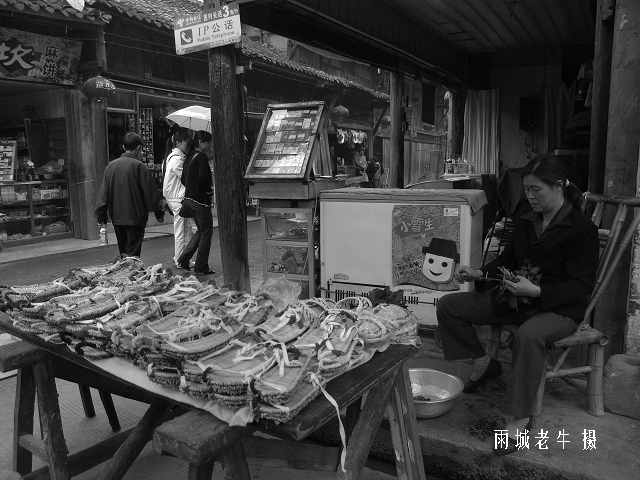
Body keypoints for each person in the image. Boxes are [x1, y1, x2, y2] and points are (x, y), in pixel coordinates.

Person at [435, 154, 599, 456]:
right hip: (516, 298)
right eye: (526, 190)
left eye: (537, 190)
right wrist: (480, 272)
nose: (530, 196)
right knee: (450, 306)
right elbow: (508, 260)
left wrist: (537, 291)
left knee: (528, 335)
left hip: (558, 308)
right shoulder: (526, 218)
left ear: (559, 186)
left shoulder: (581, 229)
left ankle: (518, 420)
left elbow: (579, 287)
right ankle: (485, 364)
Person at [95, 132, 165, 257]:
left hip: (117, 218)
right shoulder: (140, 167)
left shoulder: (111, 167)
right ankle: (131, 274)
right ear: (138, 148)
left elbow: (103, 194)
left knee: (123, 252)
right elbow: (151, 194)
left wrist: (102, 217)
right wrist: (158, 213)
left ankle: (125, 274)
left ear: (123, 147)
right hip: (135, 217)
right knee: (133, 254)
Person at [176, 130, 215, 275]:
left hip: (189, 200)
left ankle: (184, 258)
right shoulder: (202, 157)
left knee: (201, 231)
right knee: (207, 232)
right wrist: (209, 192)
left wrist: (192, 189)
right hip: (200, 201)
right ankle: (201, 266)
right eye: (208, 142)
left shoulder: (189, 156)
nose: (210, 145)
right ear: (200, 142)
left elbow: (183, 179)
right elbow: (204, 178)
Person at [162, 130, 193, 267]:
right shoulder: (176, 160)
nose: (188, 145)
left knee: (185, 229)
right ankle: (180, 259)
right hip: (177, 198)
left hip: (174, 197)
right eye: (186, 142)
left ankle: (182, 258)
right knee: (182, 230)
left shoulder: (171, 157)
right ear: (178, 143)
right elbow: (186, 177)